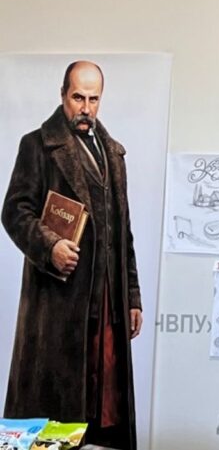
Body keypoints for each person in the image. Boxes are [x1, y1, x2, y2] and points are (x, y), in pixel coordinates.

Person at [2, 61, 143, 449]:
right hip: (57, 306)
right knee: (51, 421)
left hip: (107, 303)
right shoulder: (37, 146)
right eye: (78, 98)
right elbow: (14, 211)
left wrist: (132, 296)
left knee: (102, 411)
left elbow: (123, 231)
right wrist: (50, 246)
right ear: (62, 95)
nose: (85, 108)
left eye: (93, 99)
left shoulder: (113, 154)